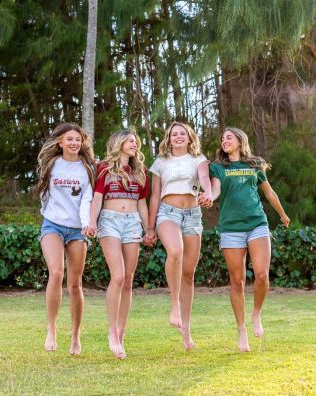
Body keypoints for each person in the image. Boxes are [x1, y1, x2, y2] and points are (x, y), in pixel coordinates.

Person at [198, 127, 290, 352]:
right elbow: (216, 189)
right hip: (231, 228)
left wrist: (282, 214)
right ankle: (241, 329)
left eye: (229, 137)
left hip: (257, 223)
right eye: (222, 139)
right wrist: (209, 196)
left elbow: (269, 193)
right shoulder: (219, 167)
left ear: (240, 140)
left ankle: (256, 313)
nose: (224, 140)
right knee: (237, 281)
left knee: (261, 274)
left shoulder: (255, 164)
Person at [145, 121, 213, 350]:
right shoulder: (160, 162)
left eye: (182, 133)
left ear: (189, 137)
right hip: (167, 212)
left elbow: (204, 179)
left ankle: (186, 331)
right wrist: (150, 227)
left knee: (188, 274)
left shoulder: (198, 159)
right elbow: (154, 196)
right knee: (175, 251)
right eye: (174, 134)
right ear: (169, 138)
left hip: (193, 214)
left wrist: (209, 193)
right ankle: (174, 303)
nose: (178, 136)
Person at [85, 129, 149, 360]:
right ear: (118, 143)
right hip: (109, 221)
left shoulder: (139, 171)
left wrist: (149, 228)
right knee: (119, 276)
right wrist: (92, 222)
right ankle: (111, 331)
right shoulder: (104, 168)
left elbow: (142, 204)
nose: (134, 144)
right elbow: (97, 198)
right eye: (130, 141)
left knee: (129, 280)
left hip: (132, 223)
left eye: (135, 141)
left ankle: (121, 333)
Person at [37, 123, 96, 354]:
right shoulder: (50, 164)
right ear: (60, 142)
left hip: (77, 229)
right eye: (69, 139)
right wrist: (50, 213)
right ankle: (51, 328)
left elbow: (87, 200)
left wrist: (85, 224)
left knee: (75, 283)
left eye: (78, 139)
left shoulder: (87, 168)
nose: (74, 143)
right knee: (56, 272)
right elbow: (43, 193)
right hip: (52, 225)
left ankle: (75, 335)